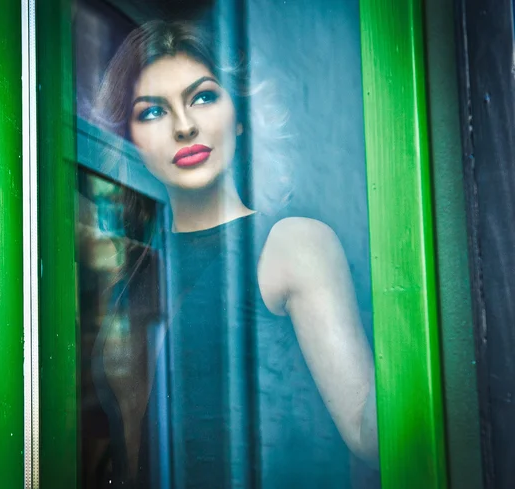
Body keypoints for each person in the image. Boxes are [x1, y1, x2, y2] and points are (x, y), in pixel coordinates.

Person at [90, 19, 378, 489]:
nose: (185, 127)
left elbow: (371, 436)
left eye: (202, 97)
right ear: (131, 141)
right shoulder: (137, 272)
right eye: (152, 112)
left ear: (239, 117)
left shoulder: (290, 245)